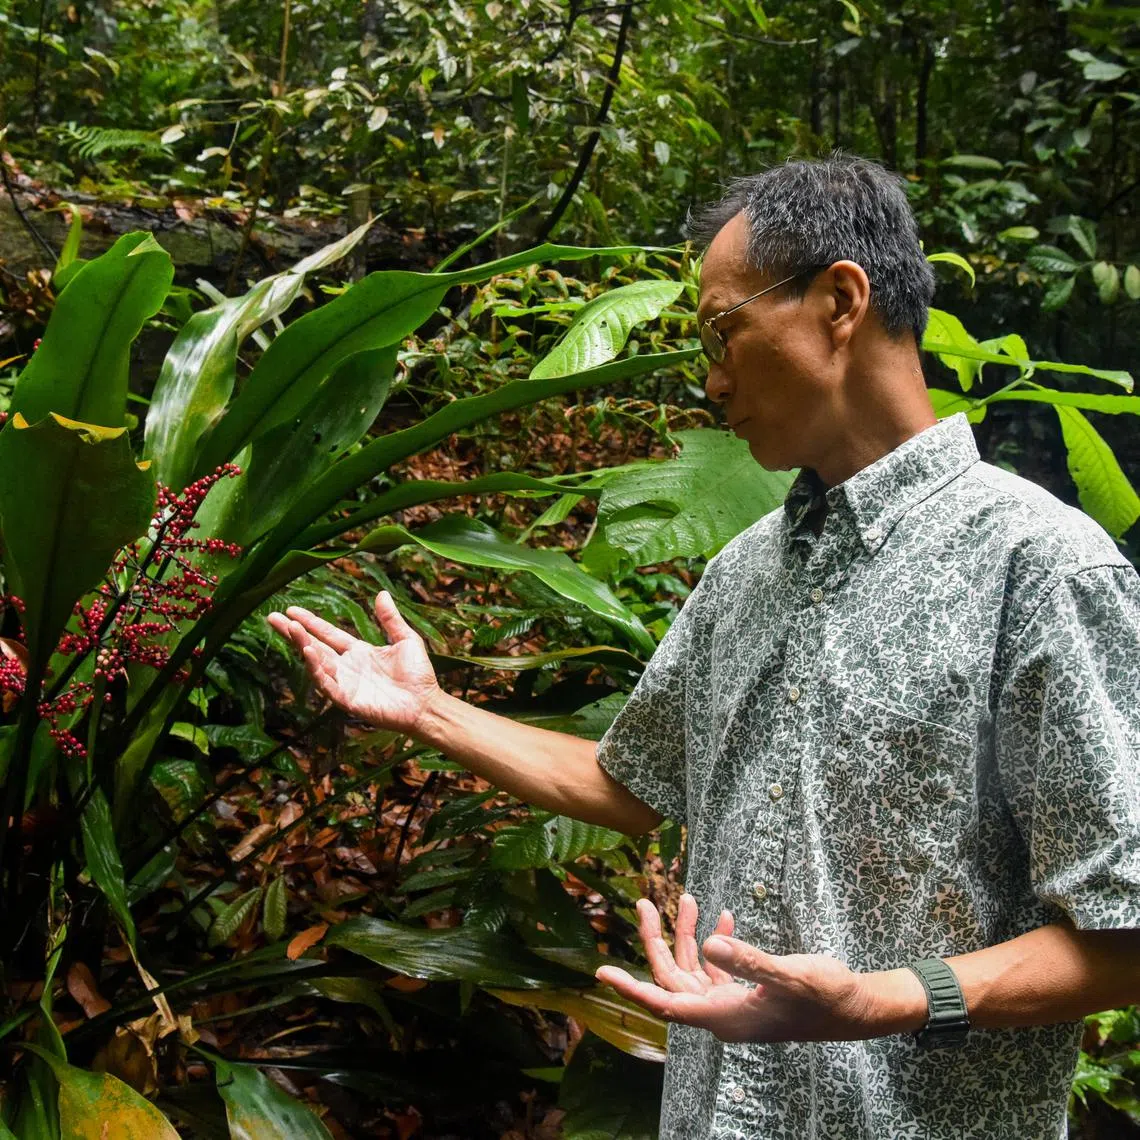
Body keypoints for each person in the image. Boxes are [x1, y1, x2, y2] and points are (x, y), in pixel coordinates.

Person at [268, 154, 1140, 1140]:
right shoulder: (747, 570)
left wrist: (893, 997)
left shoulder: (1044, 569)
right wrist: (429, 709)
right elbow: (629, 787)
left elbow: (1125, 941)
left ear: (839, 300)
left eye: (724, 332)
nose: (711, 377)